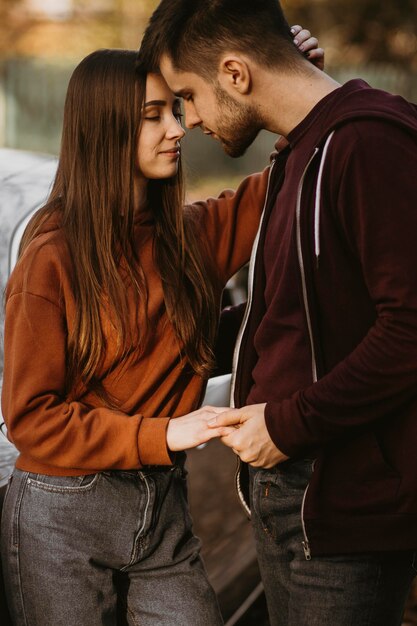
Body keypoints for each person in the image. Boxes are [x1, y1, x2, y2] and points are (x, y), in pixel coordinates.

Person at [0, 30, 322, 626]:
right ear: (105, 129)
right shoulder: (51, 256)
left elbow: (276, 187)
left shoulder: (189, 236)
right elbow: (30, 417)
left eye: (174, 110)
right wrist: (166, 433)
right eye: (153, 116)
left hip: (163, 511)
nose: (176, 128)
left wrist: (293, 87)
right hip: (62, 514)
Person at [139, 1, 417, 625]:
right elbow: (290, 316)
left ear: (235, 74)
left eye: (189, 95)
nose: (191, 121)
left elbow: (409, 330)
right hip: (283, 494)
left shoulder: (371, 143)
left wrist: (289, 425)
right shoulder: (302, 152)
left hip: (344, 509)